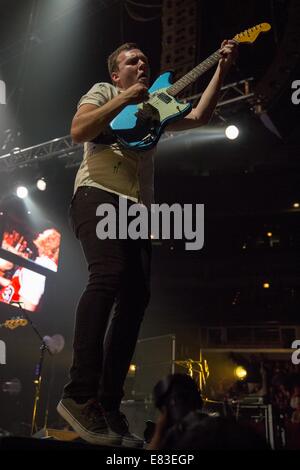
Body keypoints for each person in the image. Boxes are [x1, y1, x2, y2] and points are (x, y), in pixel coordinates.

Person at [57, 40, 238, 447]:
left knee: (136, 299)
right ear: (115, 74)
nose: (141, 64)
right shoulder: (103, 92)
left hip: (139, 210)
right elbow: (77, 131)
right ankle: (78, 394)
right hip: (98, 192)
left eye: (144, 61)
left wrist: (222, 72)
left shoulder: (156, 106)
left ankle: (106, 403)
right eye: (131, 61)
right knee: (107, 275)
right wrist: (124, 97)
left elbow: (198, 115)